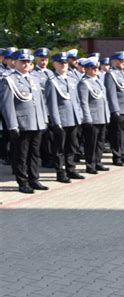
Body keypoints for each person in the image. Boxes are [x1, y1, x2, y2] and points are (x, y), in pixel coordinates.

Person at [0, 49, 49, 193]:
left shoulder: (34, 78)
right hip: (22, 124)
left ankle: (34, 179)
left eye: (28, 61)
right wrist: (12, 125)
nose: (26, 64)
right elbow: (6, 105)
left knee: (35, 154)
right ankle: (23, 182)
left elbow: (40, 101)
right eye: (23, 61)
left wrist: (44, 119)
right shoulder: (9, 80)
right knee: (21, 155)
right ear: (15, 62)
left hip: (37, 122)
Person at [45, 52, 85, 182]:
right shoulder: (52, 82)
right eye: (60, 63)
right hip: (61, 120)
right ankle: (60, 172)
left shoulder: (71, 79)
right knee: (59, 149)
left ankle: (71, 169)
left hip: (73, 119)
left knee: (72, 146)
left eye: (65, 63)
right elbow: (52, 104)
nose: (63, 65)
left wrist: (79, 116)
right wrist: (56, 122)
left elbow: (76, 100)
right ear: (54, 64)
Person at [77, 56, 110, 174]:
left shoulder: (98, 81)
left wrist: (107, 115)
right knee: (91, 143)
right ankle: (90, 164)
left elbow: (104, 100)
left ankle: (98, 162)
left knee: (100, 141)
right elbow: (83, 102)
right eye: (92, 68)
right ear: (86, 69)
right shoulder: (84, 83)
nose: (96, 69)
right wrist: (87, 118)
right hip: (92, 118)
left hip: (101, 117)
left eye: (96, 67)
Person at [104, 51, 124, 166]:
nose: (123, 63)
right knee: (116, 134)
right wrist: (115, 109)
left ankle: (122, 154)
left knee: (123, 133)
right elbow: (111, 94)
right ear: (114, 61)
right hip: (118, 109)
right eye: (121, 61)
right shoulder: (110, 74)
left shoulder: (123, 74)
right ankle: (116, 157)